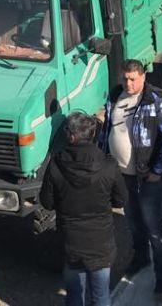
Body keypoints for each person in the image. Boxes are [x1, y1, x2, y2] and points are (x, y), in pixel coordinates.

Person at [98, 59, 162, 296]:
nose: (129, 83)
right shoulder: (115, 97)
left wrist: (157, 171)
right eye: (125, 78)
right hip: (122, 175)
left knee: (153, 227)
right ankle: (141, 258)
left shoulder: (156, 101)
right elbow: (107, 131)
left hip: (147, 177)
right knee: (133, 221)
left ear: (143, 77)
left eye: (133, 79)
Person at [40, 111, 127, 306]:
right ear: (92, 134)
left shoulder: (56, 164)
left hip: (71, 245)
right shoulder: (108, 165)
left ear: (71, 137)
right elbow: (120, 200)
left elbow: (47, 202)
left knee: (74, 296)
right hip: (100, 246)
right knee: (101, 297)